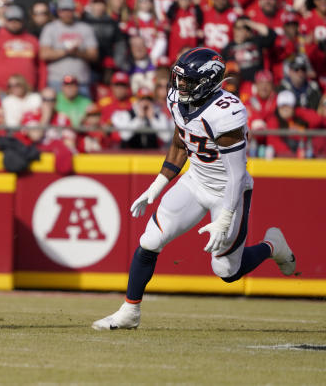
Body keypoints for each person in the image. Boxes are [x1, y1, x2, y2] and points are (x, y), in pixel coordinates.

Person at [92, 48, 297, 331]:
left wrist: (224, 217)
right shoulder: (178, 99)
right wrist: (158, 183)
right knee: (150, 240)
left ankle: (272, 246)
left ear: (208, 81)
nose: (181, 85)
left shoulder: (227, 112)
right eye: (180, 79)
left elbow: (236, 176)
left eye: (188, 81)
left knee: (226, 270)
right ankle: (130, 311)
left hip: (228, 192)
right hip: (195, 180)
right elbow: (180, 142)